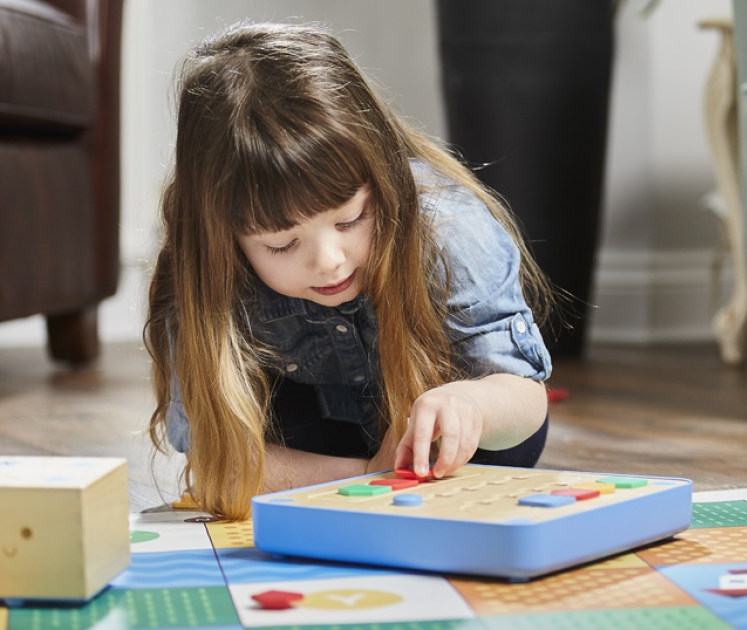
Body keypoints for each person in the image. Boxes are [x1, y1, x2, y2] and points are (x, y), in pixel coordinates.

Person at [145, 22, 556, 520]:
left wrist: (473, 403)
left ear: (382, 175)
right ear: (224, 237)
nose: (329, 260)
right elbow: (217, 459)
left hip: (462, 451)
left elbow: (526, 402)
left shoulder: (447, 226)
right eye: (281, 243)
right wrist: (369, 477)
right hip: (313, 457)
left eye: (351, 219)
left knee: (496, 435)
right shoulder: (204, 270)